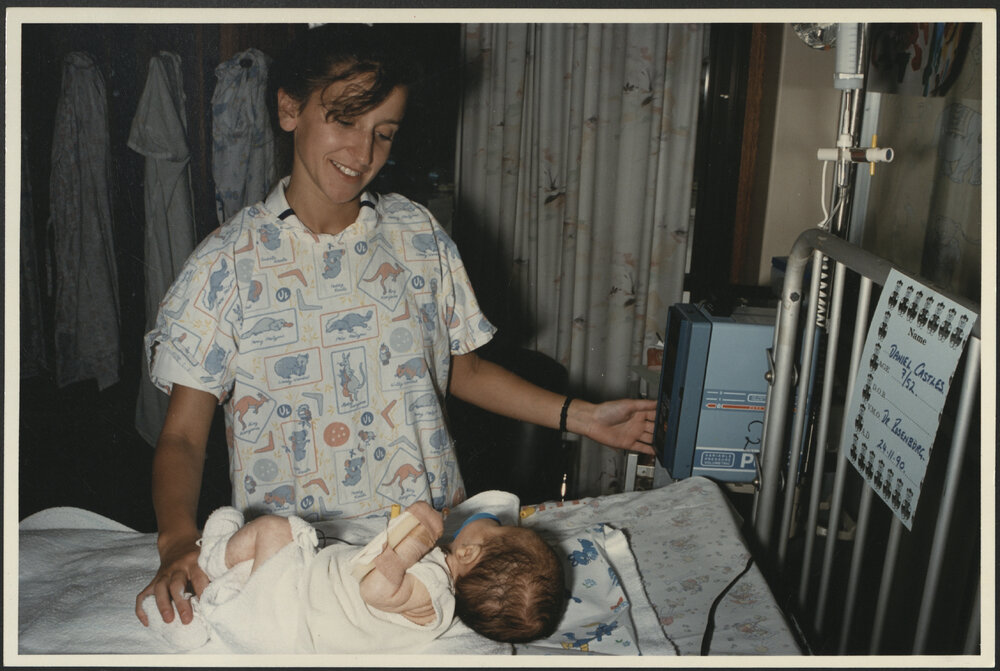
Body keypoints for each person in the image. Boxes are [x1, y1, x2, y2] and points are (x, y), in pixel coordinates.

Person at [135, 23, 655, 629]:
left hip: (429, 552)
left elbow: (462, 367)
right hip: (299, 565)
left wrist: (586, 417)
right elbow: (182, 438)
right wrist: (176, 541)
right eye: (344, 120)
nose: (362, 154)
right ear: (289, 108)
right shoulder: (223, 265)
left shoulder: (417, 235)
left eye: (383, 134)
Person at [140, 501, 565, 652]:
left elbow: (375, 588)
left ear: (469, 551)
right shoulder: (440, 603)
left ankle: (212, 556)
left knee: (276, 530)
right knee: (267, 559)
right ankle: (208, 608)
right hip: (290, 614)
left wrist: (418, 543)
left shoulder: (434, 583)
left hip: (290, 614)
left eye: (499, 528)